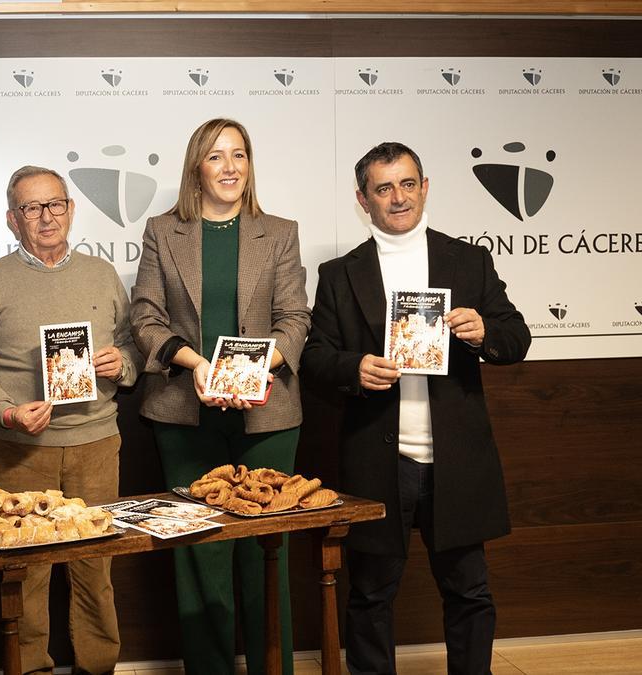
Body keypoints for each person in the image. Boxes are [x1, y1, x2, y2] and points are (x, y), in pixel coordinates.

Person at [301, 142, 531, 675]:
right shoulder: (339, 273)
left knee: (470, 591)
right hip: (379, 460)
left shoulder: (468, 259)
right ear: (364, 200)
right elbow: (315, 359)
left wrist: (482, 332)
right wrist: (353, 368)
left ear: (424, 188)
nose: (397, 198)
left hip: (456, 457)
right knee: (371, 595)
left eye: (407, 184)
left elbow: (515, 336)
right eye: (383, 188)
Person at [129, 118, 310, 675]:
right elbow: (145, 315)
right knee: (199, 551)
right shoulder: (163, 230)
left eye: (239, 155)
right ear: (196, 168)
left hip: (268, 412)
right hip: (184, 409)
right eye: (215, 157)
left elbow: (295, 319)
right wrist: (198, 366)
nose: (229, 167)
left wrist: (247, 374)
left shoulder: (278, 231)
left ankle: (269, 668)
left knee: (264, 553)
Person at [0, 166, 142, 674]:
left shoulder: (101, 274)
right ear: (12, 220)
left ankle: (98, 667)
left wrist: (119, 363)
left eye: (55, 204)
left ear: (71, 210)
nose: (46, 217)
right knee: (25, 571)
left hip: (96, 442)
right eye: (32, 208)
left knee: (94, 566)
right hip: (20, 447)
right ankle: (28, 667)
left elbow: (131, 347)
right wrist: (6, 412)